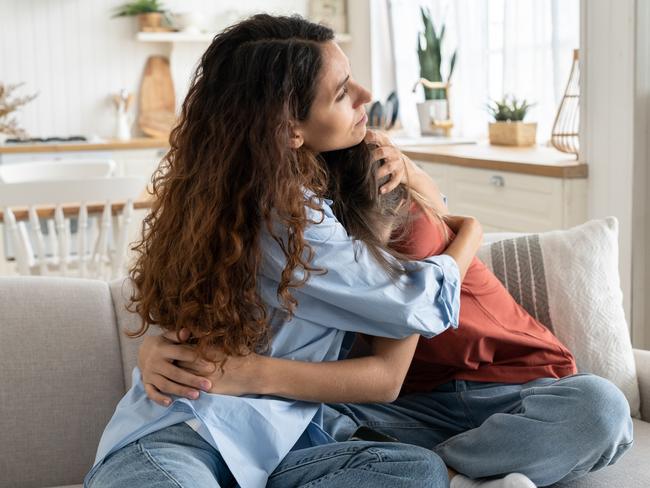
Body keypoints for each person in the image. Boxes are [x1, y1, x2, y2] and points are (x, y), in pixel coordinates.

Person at [85, 13, 485, 488]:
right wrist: (473, 232)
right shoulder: (286, 215)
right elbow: (415, 301)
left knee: (414, 469)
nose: (365, 96)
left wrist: (421, 184)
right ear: (289, 129)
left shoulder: (228, 195)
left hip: (274, 451)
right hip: (179, 439)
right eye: (341, 93)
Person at [140, 132, 634, 488]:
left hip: (513, 388)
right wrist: (157, 348)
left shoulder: (392, 211)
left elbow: (400, 334)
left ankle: (449, 473)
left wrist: (459, 223)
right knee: (299, 424)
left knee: (599, 407)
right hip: (393, 413)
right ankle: (450, 472)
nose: (362, 102)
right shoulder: (300, 234)